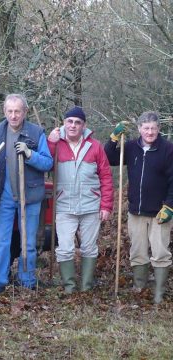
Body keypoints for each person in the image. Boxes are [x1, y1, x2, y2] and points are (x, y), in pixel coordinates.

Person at [104, 111, 173, 304]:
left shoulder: (168, 150)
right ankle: (139, 286)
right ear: (139, 129)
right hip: (136, 211)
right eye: (146, 128)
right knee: (138, 251)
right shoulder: (131, 147)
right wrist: (114, 138)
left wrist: (169, 206)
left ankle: (159, 291)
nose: (150, 132)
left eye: (153, 128)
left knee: (160, 252)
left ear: (159, 129)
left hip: (161, 211)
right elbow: (109, 158)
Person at [0, 94, 53, 293]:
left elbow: (48, 163)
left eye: (18, 111)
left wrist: (30, 154)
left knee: (29, 242)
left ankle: (27, 280)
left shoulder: (35, 133)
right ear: (4, 112)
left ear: (25, 112)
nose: (14, 115)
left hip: (30, 197)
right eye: (10, 111)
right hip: (3, 197)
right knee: (0, 242)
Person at [47, 106, 113, 294]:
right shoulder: (55, 143)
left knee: (89, 248)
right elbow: (45, 164)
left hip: (90, 206)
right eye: (70, 121)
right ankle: (69, 287)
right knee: (65, 249)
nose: (73, 125)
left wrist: (106, 205)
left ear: (84, 125)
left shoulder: (95, 146)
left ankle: (86, 287)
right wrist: (51, 144)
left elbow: (106, 176)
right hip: (64, 206)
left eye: (77, 122)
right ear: (64, 123)